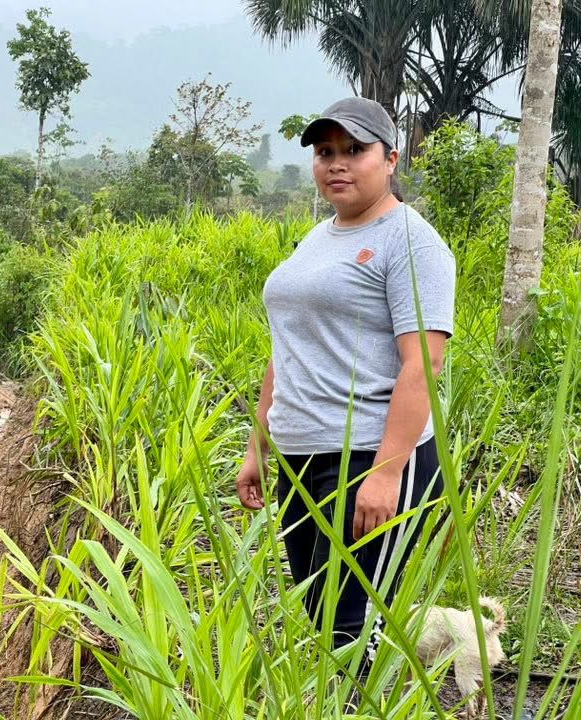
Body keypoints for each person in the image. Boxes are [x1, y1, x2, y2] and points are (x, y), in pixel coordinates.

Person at [236, 97, 456, 656]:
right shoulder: (318, 237)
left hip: (366, 456)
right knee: (321, 610)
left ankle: (386, 699)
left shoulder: (411, 242)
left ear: (391, 159)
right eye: (325, 151)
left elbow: (424, 364)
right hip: (300, 455)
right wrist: (259, 444)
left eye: (355, 150)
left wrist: (385, 473)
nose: (337, 163)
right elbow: (287, 350)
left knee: (351, 627)